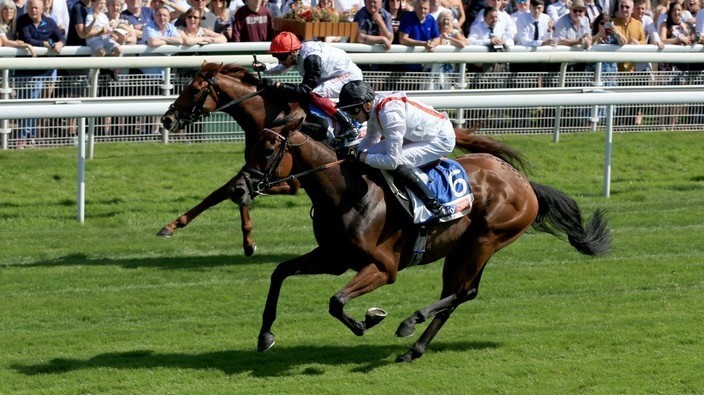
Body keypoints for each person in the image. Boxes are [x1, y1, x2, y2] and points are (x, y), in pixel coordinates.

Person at [336, 80, 456, 217]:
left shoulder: (389, 114)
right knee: (368, 157)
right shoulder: (375, 109)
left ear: (367, 105)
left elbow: (392, 161)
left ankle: (433, 205)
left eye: (353, 110)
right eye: (346, 110)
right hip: (418, 135)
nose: (350, 115)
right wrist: (355, 152)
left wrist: (360, 156)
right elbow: (370, 139)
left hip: (440, 139)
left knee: (396, 163)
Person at [251, 31, 363, 144]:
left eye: (282, 56)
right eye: (276, 56)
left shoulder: (311, 59)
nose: (280, 60)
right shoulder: (297, 52)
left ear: (294, 51)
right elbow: (283, 65)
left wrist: (279, 86)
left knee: (315, 94)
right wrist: (265, 67)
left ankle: (348, 126)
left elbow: (305, 90)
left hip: (348, 76)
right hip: (331, 75)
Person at [15, 0, 65, 147]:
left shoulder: (49, 22)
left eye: (36, 7)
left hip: (40, 71)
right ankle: (24, 137)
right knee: (24, 105)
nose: (33, 10)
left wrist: (60, 43)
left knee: (33, 104)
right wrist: (45, 43)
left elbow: (60, 37)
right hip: (24, 70)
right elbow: (27, 39)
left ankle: (29, 136)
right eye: (30, 7)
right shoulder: (22, 21)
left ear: (42, 9)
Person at [398, 0, 440, 72]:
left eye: (425, 8)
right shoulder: (407, 18)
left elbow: (437, 37)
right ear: (415, 7)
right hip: (407, 64)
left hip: (425, 65)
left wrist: (433, 44)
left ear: (429, 9)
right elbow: (403, 39)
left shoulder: (431, 19)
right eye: (420, 8)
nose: (422, 11)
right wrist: (423, 44)